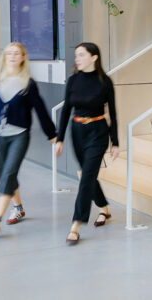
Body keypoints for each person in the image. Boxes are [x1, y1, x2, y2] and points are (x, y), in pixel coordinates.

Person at [0, 42, 57, 236]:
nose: (12, 56)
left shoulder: (28, 83)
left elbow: (41, 110)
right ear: (4, 57)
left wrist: (52, 134)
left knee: (9, 173)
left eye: (16, 53)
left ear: (23, 58)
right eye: (8, 53)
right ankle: (18, 207)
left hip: (19, 135)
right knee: (5, 174)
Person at [54, 42, 119, 246]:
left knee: (87, 176)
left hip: (98, 133)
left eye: (81, 55)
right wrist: (60, 138)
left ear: (94, 57)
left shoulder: (105, 82)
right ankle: (104, 208)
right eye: (76, 55)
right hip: (77, 132)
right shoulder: (73, 80)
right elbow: (66, 110)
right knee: (87, 174)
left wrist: (115, 142)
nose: (77, 59)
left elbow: (113, 114)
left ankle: (76, 225)